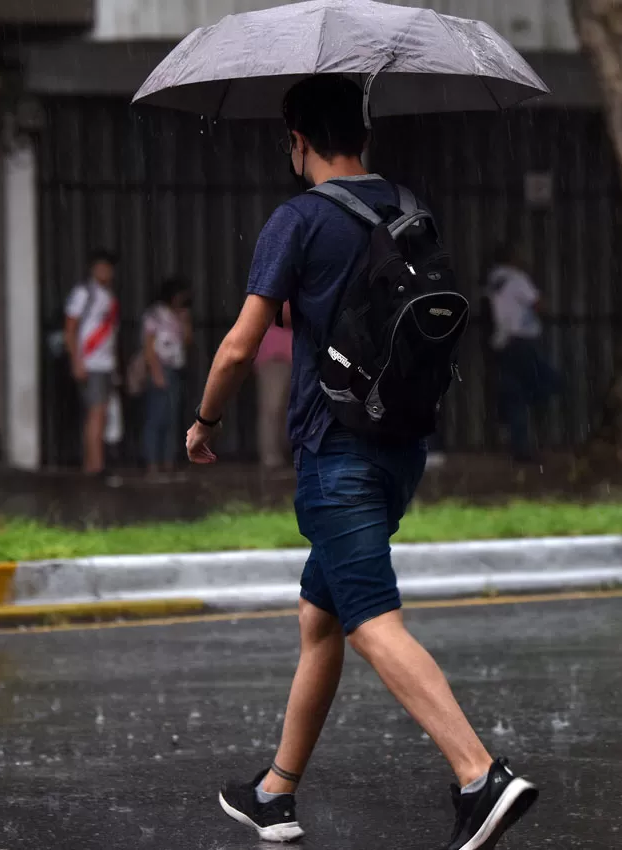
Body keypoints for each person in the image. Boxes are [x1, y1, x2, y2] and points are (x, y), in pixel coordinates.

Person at [185, 75, 537, 850]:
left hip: (335, 452)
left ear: (297, 140)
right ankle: (276, 792)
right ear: (365, 135)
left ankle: (481, 777)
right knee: (322, 618)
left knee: (373, 621)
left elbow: (242, 345)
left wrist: (204, 420)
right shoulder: (409, 207)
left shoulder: (299, 219)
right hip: (399, 447)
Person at [485, 240, 559, 463]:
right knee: (551, 383)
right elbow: (538, 304)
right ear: (511, 257)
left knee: (514, 393)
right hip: (521, 343)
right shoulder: (517, 278)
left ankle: (518, 443)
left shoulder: (494, 278)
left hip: (503, 342)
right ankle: (518, 425)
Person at [64, 249, 120, 475]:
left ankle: (95, 464)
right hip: (91, 363)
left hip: (106, 363)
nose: (106, 272)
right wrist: (76, 361)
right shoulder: (83, 293)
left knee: (102, 414)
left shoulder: (109, 295)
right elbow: (70, 329)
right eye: (102, 267)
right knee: (95, 414)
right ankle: (95, 467)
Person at [141, 277, 193, 479]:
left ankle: (168, 462)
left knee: (172, 418)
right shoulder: (155, 315)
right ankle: (153, 463)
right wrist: (156, 372)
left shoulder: (179, 316)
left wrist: (185, 320)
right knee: (156, 418)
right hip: (160, 367)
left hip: (176, 368)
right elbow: (148, 345)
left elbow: (187, 341)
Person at [256, 304, 294, 470]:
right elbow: (285, 315)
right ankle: (270, 455)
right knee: (273, 407)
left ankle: (283, 453)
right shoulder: (270, 289)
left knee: (287, 408)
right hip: (275, 355)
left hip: (294, 353)